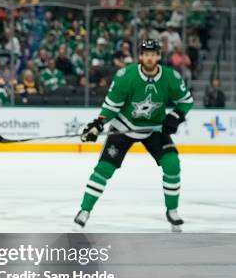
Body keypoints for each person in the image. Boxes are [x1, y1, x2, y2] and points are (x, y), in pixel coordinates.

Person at [74, 39, 194, 232]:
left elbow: (186, 101)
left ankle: (172, 211)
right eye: (146, 54)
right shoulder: (125, 76)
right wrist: (98, 124)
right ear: (140, 56)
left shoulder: (171, 77)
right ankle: (84, 210)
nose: (149, 57)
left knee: (172, 163)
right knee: (104, 168)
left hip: (154, 129)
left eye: (153, 54)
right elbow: (111, 106)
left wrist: (176, 116)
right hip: (124, 126)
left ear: (158, 56)